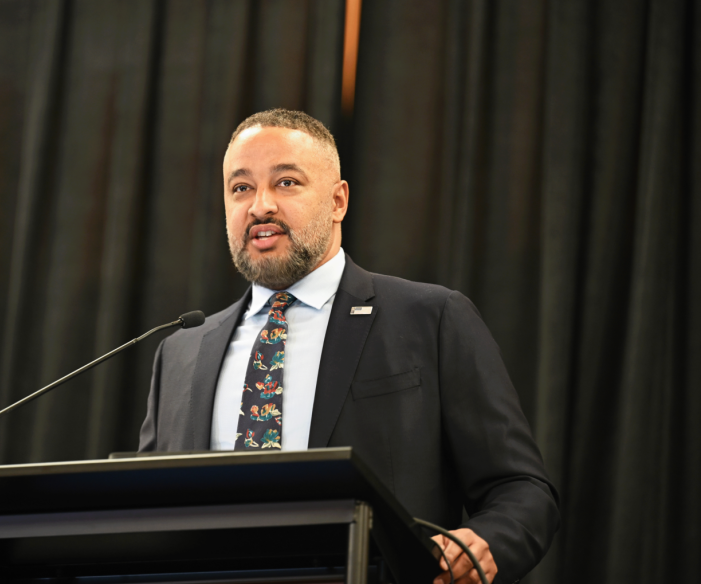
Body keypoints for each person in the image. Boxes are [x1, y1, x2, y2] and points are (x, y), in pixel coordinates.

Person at [139, 109, 559, 584]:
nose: (260, 206)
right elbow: (144, 514)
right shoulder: (180, 352)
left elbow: (520, 489)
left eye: (286, 183)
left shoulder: (430, 318)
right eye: (241, 188)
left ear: (338, 201)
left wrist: (483, 543)